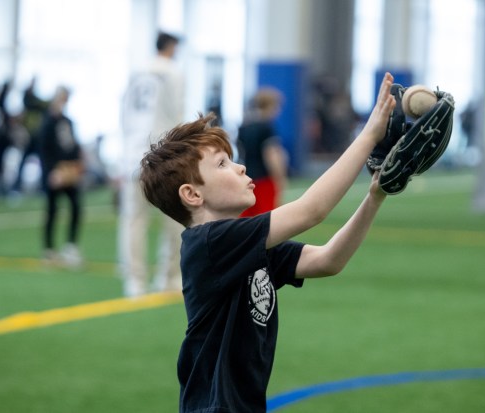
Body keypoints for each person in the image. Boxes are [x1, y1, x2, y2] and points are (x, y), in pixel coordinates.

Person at [138, 73, 397, 412]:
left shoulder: (242, 244)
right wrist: (369, 134)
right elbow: (311, 211)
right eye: (222, 164)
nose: (241, 167)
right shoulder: (210, 244)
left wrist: (375, 195)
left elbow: (328, 260)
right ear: (192, 194)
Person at [117, 31, 185, 297]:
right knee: (175, 218)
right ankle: (168, 277)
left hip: (132, 154)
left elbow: (123, 114)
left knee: (133, 220)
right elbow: (177, 115)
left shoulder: (136, 71)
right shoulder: (174, 72)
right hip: (162, 154)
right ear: (170, 46)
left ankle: (134, 281)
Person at [39, 86, 84, 268]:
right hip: (54, 171)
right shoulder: (47, 122)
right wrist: (51, 171)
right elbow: (43, 149)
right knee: (52, 210)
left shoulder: (67, 121)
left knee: (75, 207)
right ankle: (48, 249)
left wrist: (77, 162)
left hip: (68, 170)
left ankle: (71, 245)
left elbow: (73, 144)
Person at [237, 87, 288, 217]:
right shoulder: (266, 127)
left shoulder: (244, 127)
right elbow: (271, 155)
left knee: (247, 219)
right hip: (264, 179)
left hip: (247, 178)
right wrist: (280, 178)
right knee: (267, 218)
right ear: (270, 105)